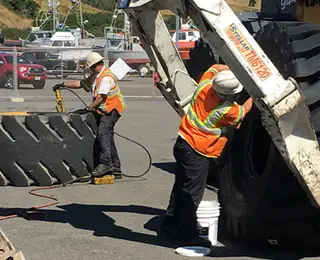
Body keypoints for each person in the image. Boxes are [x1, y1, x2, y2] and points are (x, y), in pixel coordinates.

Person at [161, 64, 253, 247]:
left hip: (183, 142)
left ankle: (171, 222)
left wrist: (230, 73)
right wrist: (254, 93)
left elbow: (213, 68)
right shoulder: (227, 110)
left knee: (181, 186)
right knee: (192, 194)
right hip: (198, 152)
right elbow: (243, 111)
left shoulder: (204, 85)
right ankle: (187, 234)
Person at [53, 52, 127, 179]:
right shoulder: (96, 76)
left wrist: (89, 108)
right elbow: (81, 84)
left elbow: (101, 97)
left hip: (111, 110)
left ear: (95, 66)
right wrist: (63, 84)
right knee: (108, 137)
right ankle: (116, 168)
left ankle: (106, 164)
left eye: (91, 68)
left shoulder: (106, 78)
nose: (91, 70)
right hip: (105, 110)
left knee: (102, 133)